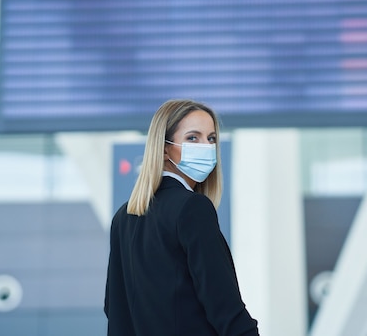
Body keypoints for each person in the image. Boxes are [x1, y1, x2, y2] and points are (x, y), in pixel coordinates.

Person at [104, 99, 260, 336]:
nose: (206, 146)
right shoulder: (192, 208)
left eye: (211, 138)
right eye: (192, 138)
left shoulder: (123, 217)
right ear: (165, 149)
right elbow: (224, 306)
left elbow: (114, 308)